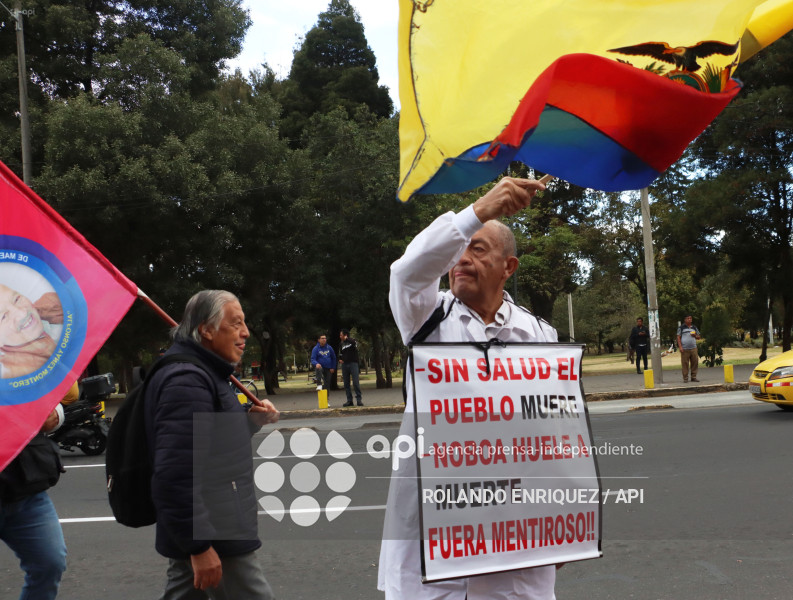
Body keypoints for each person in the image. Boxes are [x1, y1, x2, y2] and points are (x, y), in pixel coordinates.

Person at [379, 176, 558, 600]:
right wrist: (477, 213)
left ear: (508, 267)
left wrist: (561, 525)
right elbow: (406, 272)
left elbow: (555, 439)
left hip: (515, 549)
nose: (461, 260)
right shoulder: (427, 319)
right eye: (458, 249)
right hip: (434, 547)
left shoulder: (540, 336)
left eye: (477, 249)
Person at [143, 290, 279, 600]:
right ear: (206, 330)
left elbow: (213, 446)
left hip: (214, 524)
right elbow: (175, 473)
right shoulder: (187, 381)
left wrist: (251, 421)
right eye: (236, 323)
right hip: (216, 532)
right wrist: (199, 546)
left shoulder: (206, 373)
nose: (246, 332)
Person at [0, 381, 78, 600]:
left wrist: (54, 414)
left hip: (26, 489)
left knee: (50, 563)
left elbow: (51, 398)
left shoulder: (16, 362)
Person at [0, 284, 63, 379]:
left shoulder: (52, 306)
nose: (23, 313)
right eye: (3, 317)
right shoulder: (17, 378)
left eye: (16, 299)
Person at [338, 329, 363, 407]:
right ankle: (349, 400)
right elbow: (341, 353)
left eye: (341, 335)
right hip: (345, 365)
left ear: (345, 335)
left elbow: (355, 344)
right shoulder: (341, 344)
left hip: (353, 363)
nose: (340, 336)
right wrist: (340, 359)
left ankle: (359, 400)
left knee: (355, 382)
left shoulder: (352, 341)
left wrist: (347, 339)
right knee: (346, 384)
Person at [677, 315, 701, 383]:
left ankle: (693, 377)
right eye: (688, 318)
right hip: (685, 348)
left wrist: (695, 335)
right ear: (685, 320)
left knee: (695, 363)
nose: (690, 319)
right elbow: (678, 337)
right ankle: (685, 378)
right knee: (685, 364)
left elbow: (699, 337)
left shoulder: (694, 327)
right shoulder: (681, 327)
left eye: (690, 318)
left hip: (693, 348)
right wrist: (680, 347)